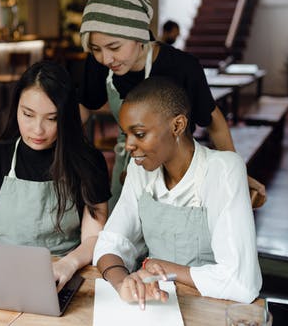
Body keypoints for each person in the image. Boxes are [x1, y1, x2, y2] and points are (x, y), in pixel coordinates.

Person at [78, 0, 265, 210]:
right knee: (123, 232)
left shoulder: (182, 67)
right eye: (96, 49)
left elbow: (213, 121)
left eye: (114, 47)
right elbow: (85, 107)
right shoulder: (100, 65)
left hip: (178, 167)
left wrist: (237, 173)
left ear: (139, 36)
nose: (106, 58)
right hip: (129, 162)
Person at [0, 61, 110, 291]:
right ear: (16, 108)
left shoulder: (88, 162)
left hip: (63, 275)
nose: (37, 130)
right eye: (28, 114)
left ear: (67, 117)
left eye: (52, 118)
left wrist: (68, 264)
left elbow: (94, 238)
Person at [94, 77, 262, 308]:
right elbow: (111, 242)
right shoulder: (139, 168)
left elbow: (241, 282)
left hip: (212, 307)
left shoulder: (223, 169)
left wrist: (163, 268)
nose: (129, 145)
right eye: (126, 134)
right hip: (155, 304)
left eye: (140, 134)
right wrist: (123, 284)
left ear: (177, 126)